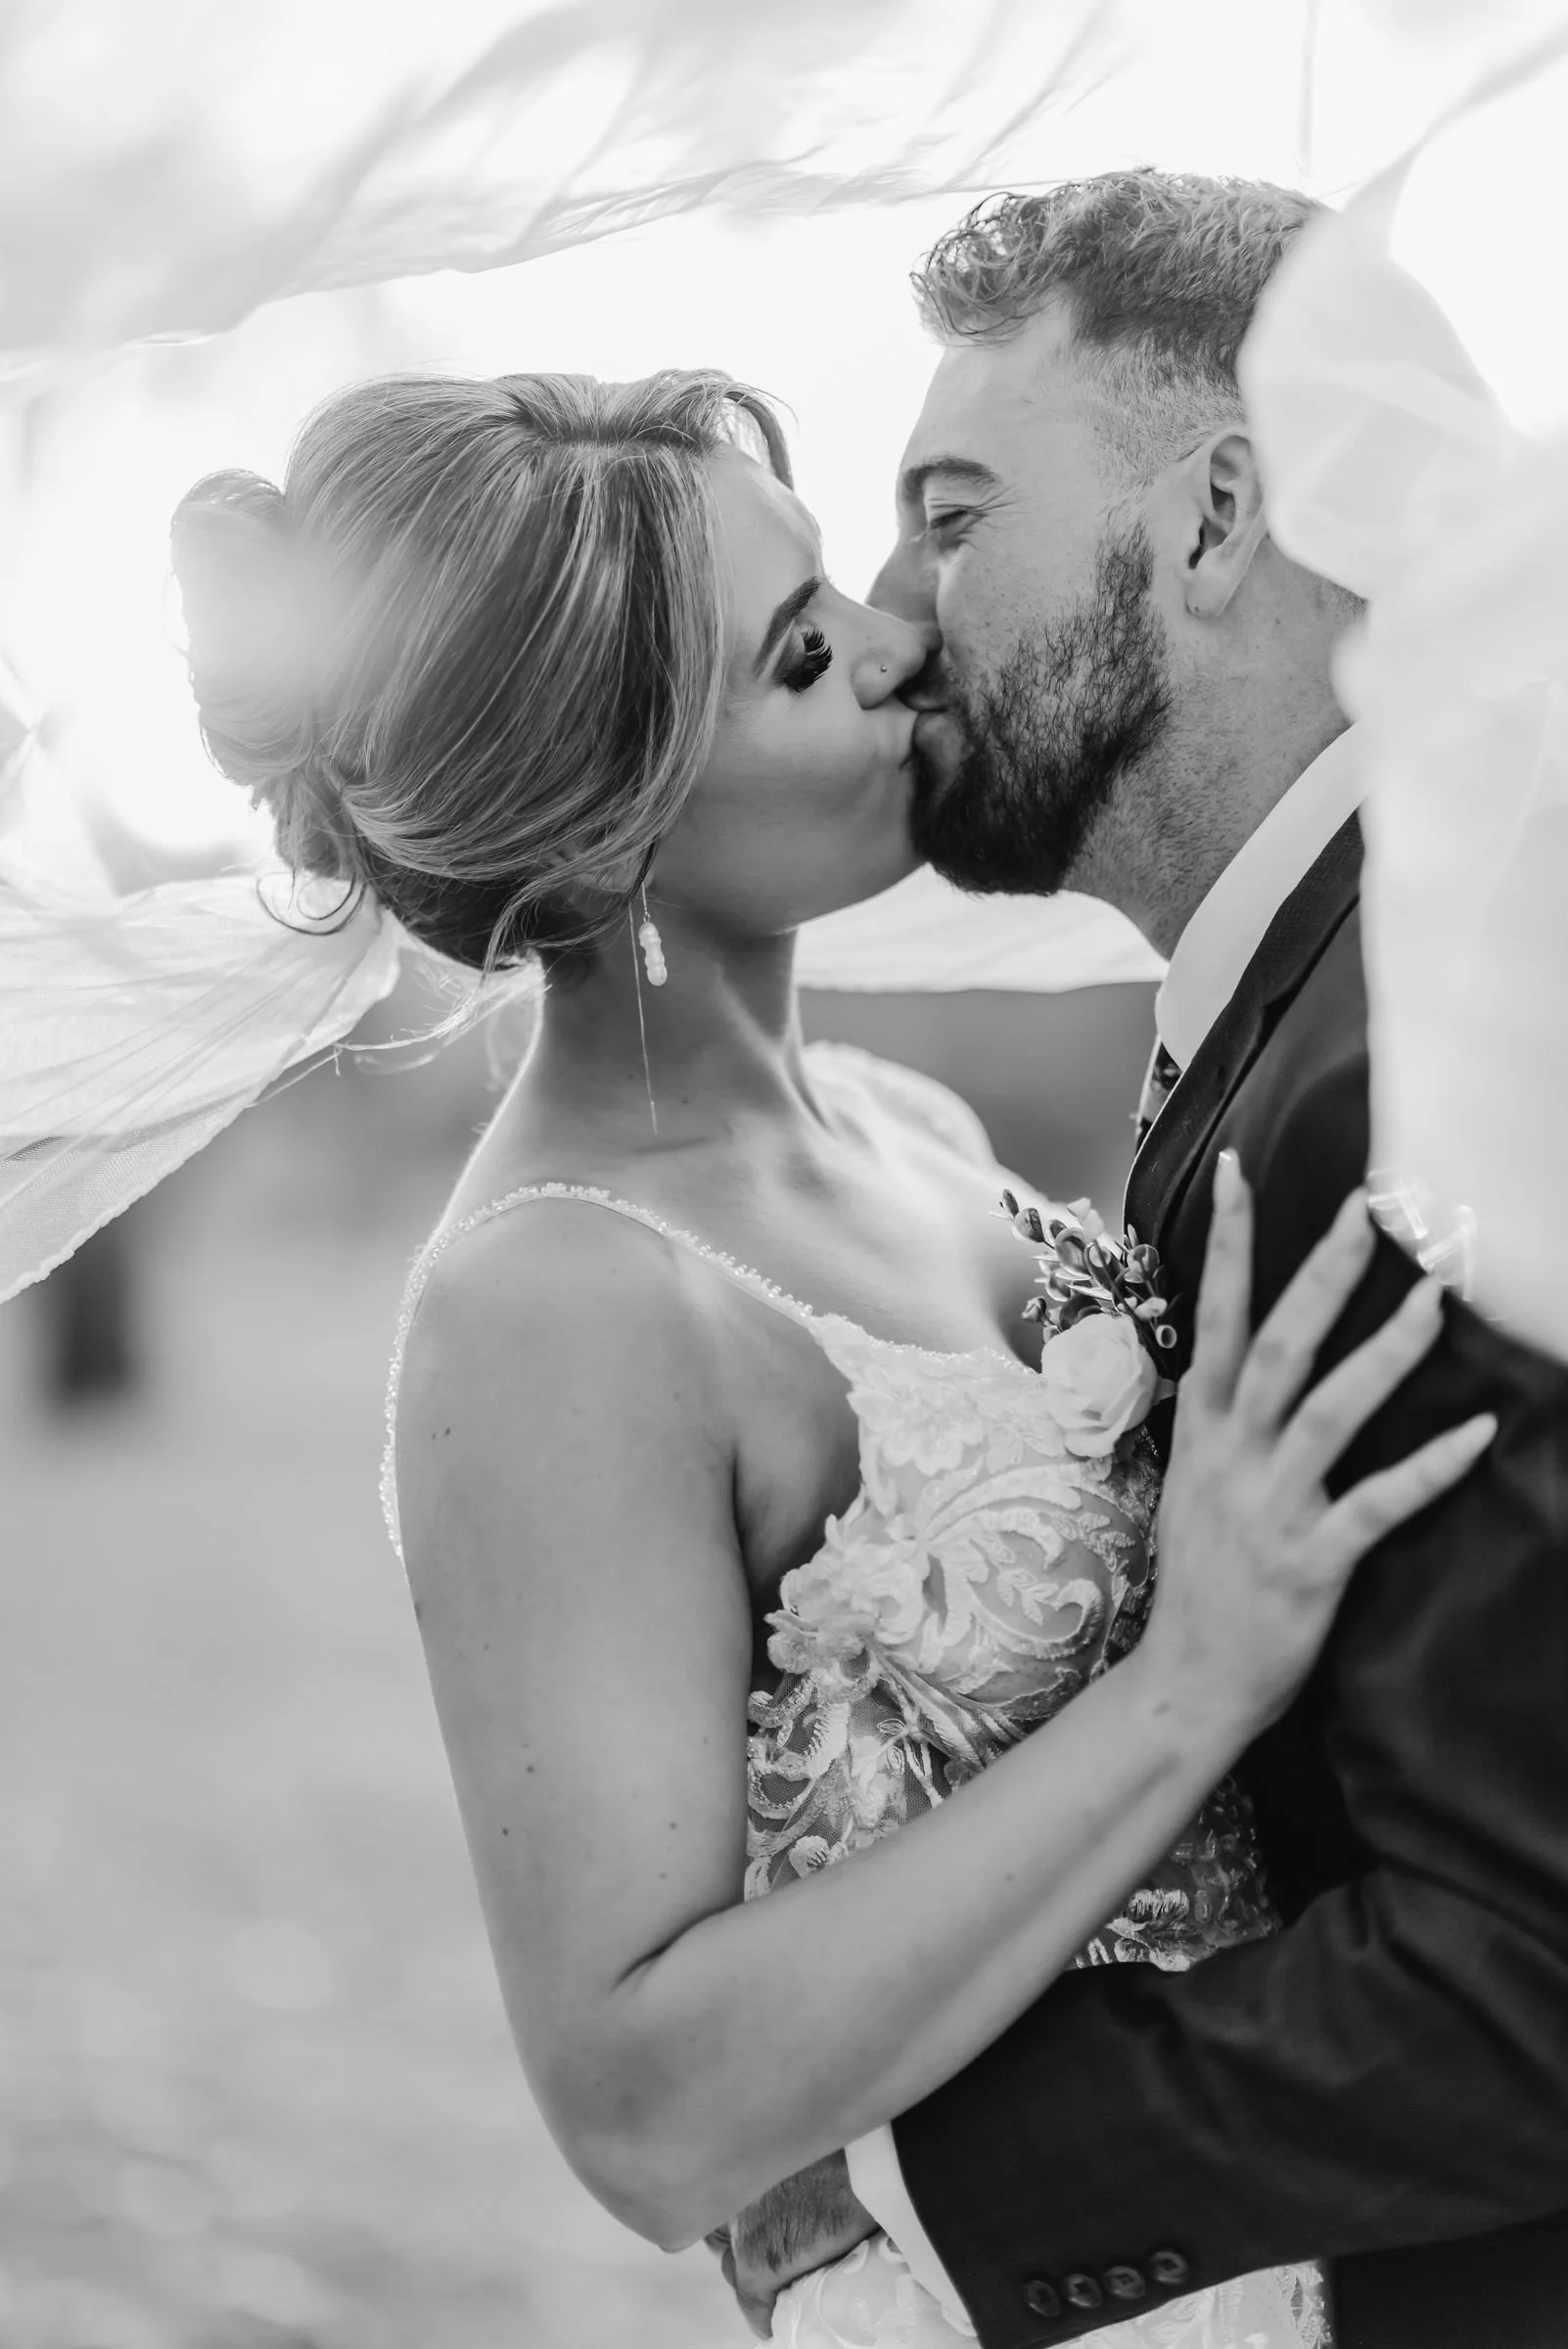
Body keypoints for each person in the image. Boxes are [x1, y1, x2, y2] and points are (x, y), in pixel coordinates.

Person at [162, 364, 1494, 2349]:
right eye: (802, 656)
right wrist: (1191, 1685)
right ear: (612, 822)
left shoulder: (906, 1125)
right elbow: (642, 2107)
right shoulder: (550, 1307)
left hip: (1316, 2203)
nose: (902, 643)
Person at [729, 173, 1568, 2349]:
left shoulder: (1420, 1060)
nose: (899, 615)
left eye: (953, 510)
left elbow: (1535, 1964)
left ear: (1214, 520)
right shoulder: (1341, 979)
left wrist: (914, 2201)